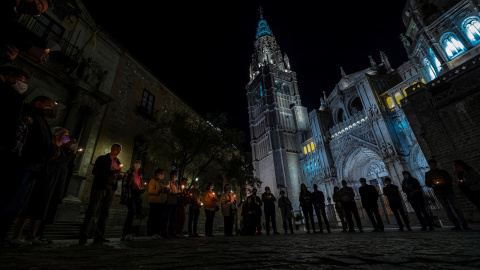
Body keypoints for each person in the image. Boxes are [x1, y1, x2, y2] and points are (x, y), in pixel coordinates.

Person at [0, 96, 56, 247]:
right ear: (39, 104)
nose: (52, 109)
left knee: (18, 202)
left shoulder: (42, 120)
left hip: (35, 168)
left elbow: (45, 142)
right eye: (50, 106)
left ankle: (4, 234)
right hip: (24, 164)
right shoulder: (30, 115)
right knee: (10, 199)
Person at [12, 127, 70, 246]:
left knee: (40, 209)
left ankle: (31, 235)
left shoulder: (61, 150)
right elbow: (45, 160)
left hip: (50, 183)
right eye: (65, 135)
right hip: (40, 180)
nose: (67, 138)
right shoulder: (49, 146)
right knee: (28, 208)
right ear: (57, 134)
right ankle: (16, 235)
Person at [79, 144, 122, 244]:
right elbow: (95, 171)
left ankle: (99, 235)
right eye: (116, 149)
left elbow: (116, 174)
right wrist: (111, 172)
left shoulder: (118, 162)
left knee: (105, 212)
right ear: (112, 148)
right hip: (100, 186)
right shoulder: (102, 159)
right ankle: (84, 235)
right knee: (92, 210)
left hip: (111, 188)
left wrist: (118, 176)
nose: (118, 152)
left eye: (119, 150)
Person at [0, 0, 50, 64]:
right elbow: (6, 26)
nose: (37, 9)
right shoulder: (6, 6)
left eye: (39, 11)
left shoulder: (13, 13)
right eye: (39, 4)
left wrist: (10, 56)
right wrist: (30, 48)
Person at [425, 159, 469, 230]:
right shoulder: (428, 174)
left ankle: (464, 224)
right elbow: (427, 183)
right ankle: (456, 225)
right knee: (447, 210)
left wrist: (444, 183)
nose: (433, 166)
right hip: (439, 193)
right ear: (429, 165)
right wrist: (433, 185)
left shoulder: (442, 172)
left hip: (448, 192)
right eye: (432, 165)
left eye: (434, 165)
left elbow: (449, 179)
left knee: (457, 208)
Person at [121, 160, 145, 241]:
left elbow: (140, 184)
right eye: (136, 162)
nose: (138, 164)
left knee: (132, 213)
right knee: (131, 212)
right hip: (130, 194)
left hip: (136, 196)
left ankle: (126, 233)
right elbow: (124, 183)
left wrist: (141, 189)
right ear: (133, 164)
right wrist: (132, 187)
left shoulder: (140, 174)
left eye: (139, 163)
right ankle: (125, 234)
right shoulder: (129, 172)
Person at [147, 168, 168, 239]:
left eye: (163, 173)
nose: (162, 175)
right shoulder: (153, 181)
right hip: (155, 202)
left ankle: (157, 233)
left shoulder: (162, 182)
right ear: (157, 174)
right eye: (161, 173)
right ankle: (152, 233)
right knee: (154, 218)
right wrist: (159, 191)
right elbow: (151, 191)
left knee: (159, 218)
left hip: (161, 202)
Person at [165, 170, 181, 238]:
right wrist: (176, 193)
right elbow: (169, 191)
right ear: (171, 175)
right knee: (167, 217)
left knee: (173, 218)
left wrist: (180, 193)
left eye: (177, 174)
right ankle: (165, 232)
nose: (176, 176)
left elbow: (178, 191)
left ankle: (171, 232)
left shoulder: (177, 184)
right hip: (169, 202)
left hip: (175, 202)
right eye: (175, 174)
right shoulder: (168, 183)